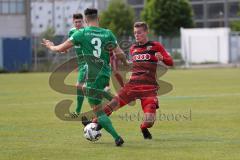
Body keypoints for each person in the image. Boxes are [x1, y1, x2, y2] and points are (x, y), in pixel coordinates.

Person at [42, 8, 128, 146]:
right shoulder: (108, 33)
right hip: (105, 74)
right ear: (98, 18)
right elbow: (119, 53)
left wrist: (50, 46)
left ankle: (117, 138)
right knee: (102, 100)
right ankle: (109, 102)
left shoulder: (81, 33)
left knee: (98, 111)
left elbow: (60, 49)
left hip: (92, 76)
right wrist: (126, 62)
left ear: (86, 20)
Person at [94, 22, 173, 140]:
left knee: (149, 121)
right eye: (135, 33)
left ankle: (143, 127)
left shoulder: (156, 46)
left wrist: (163, 59)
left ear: (146, 32)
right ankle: (93, 123)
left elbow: (170, 62)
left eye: (139, 32)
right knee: (112, 105)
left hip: (149, 89)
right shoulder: (133, 48)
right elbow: (135, 65)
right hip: (132, 87)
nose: (137, 35)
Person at [67, 13, 87, 118]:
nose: (78, 23)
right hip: (81, 64)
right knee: (81, 87)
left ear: (83, 21)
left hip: (89, 63)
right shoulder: (72, 32)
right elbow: (68, 44)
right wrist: (64, 49)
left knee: (81, 86)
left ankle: (78, 111)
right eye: (76, 22)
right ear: (73, 22)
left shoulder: (86, 32)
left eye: (80, 21)